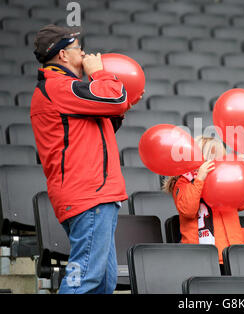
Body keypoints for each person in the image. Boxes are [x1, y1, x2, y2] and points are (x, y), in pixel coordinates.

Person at [30, 25, 142, 293]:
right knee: (85, 279)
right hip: (88, 196)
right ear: (64, 56)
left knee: (103, 283)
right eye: (78, 49)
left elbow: (95, 130)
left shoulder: (66, 90)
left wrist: (118, 107)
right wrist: (99, 74)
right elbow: (114, 97)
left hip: (96, 196)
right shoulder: (59, 87)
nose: (85, 54)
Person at [163, 136, 244, 269]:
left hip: (233, 253)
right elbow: (187, 210)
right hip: (202, 256)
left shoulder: (228, 181)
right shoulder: (185, 181)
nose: (217, 163)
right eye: (212, 158)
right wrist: (200, 180)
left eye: (221, 158)